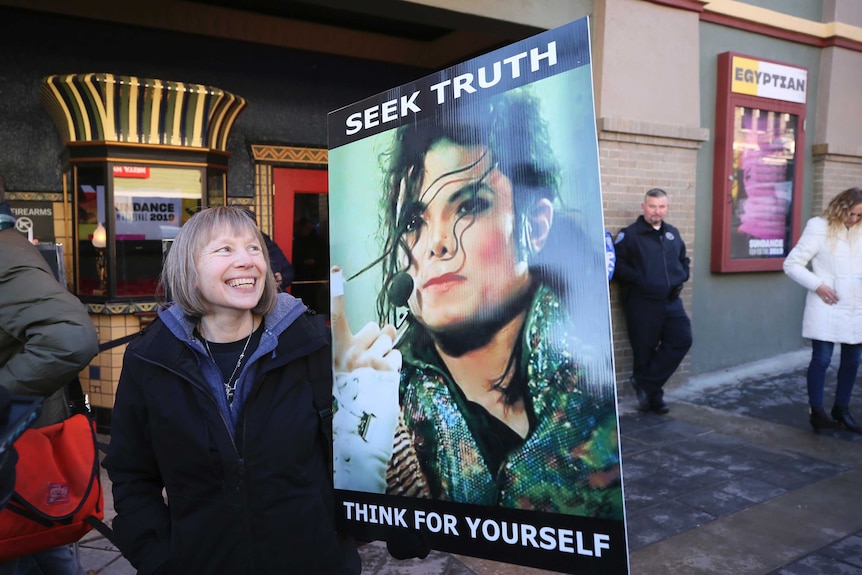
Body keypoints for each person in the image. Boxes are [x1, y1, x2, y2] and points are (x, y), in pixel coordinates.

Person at [332, 88, 622, 518]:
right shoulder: (381, 402)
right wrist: (362, 435)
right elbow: (395, 544)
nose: (437, 244)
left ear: (536, 227)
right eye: (414, 221)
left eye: (469, 206)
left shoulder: (595, 395)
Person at [102, 206, 359, 575]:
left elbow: (355, 452)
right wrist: (158, 559)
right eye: (224, 250)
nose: (246, 261)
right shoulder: (150, 360)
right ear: (189, 273)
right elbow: (131, 474)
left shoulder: (313, 344)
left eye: (254, 248)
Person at [0, 174, 99, 575]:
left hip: (19, 448)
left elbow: (70, 337)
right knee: (44, 543)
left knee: (29, 544)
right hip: (24, 446)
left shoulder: (5, 254)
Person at [783, 187, 862, 433]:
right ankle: (816, 412)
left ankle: (842, 409)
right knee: (822, 359)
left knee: (853, 360)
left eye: (859, 216)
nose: (854, 219)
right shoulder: (819, 226)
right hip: (827, 304)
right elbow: (792, 264)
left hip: (856, 305)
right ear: (841, 207)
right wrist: (818, 285)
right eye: (851, 213)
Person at [613, 188, 692, 415]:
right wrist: (640, 279)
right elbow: (617, 265)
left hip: (671, 302)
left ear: (667, 208)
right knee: (644, 351)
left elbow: (683, 259)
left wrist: (682, 275)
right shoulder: (630, 235)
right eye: (652, 206)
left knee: (682, 338)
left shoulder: (672, 233)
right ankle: (653, 399)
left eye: (661, 207)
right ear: (644, 207)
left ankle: (645, 383)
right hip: (642, 303)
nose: (656, 211)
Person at [241, 208, 294, 289]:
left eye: (252, 227)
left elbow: (288, 272)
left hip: (271, 295)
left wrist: (281, 279)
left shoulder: (267, 243)